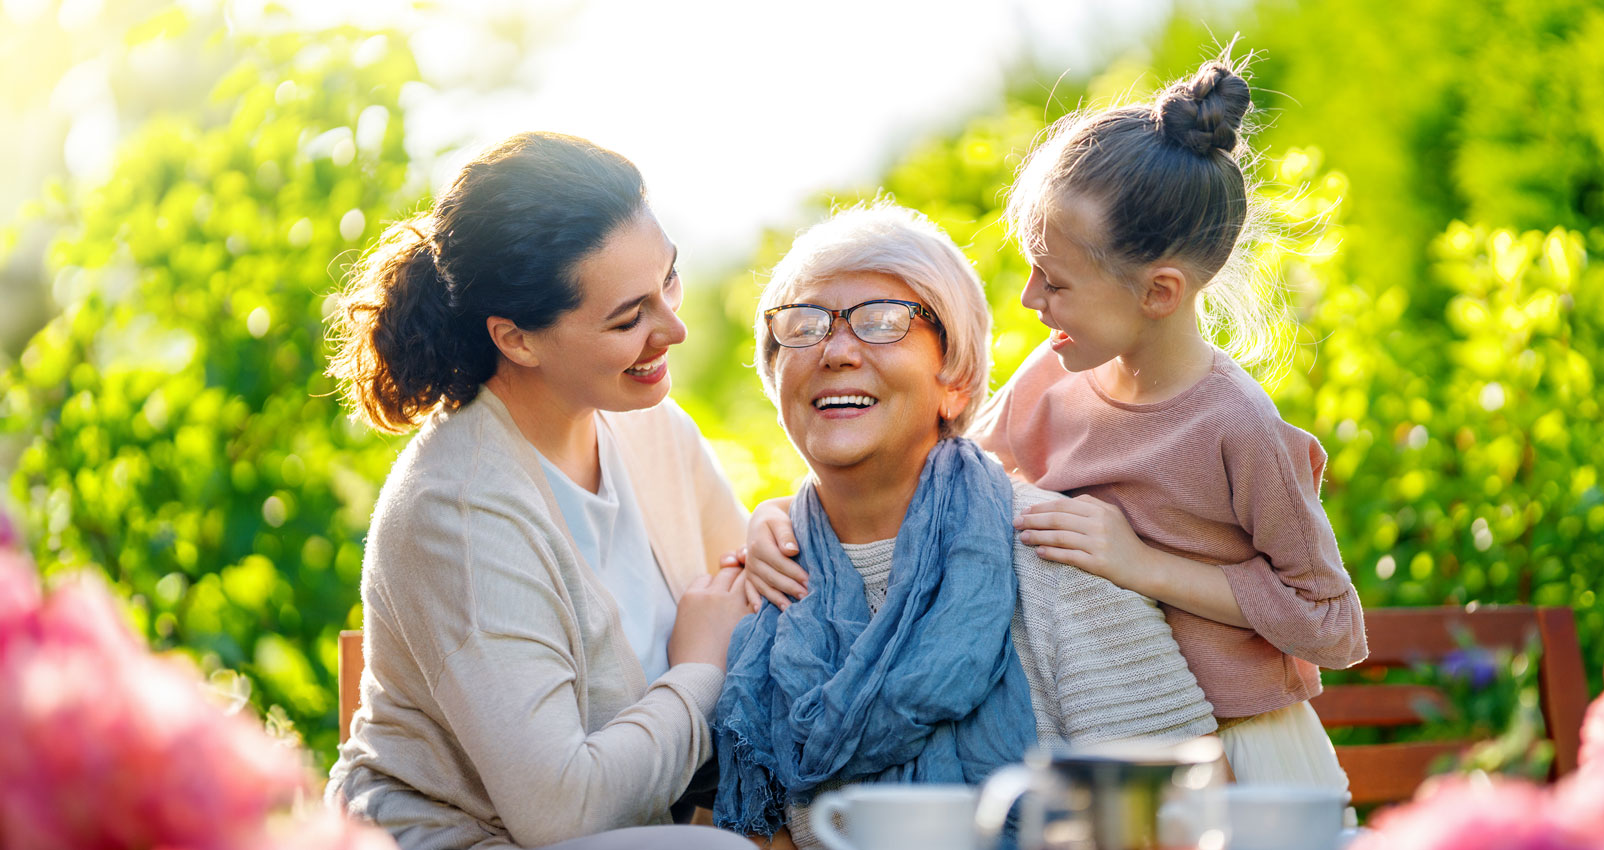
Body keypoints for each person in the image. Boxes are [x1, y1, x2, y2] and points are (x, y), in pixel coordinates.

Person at [743, 58, 1368, 796]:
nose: (1032, 298)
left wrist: (1143, 566)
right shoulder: (1055, 373)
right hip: (1117, 743)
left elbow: (1333, 624)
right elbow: (935, 475)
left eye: (1057, 281)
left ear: (1159, 291)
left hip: (1246, 758)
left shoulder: (1237, 426)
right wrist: (783, 516)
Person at [714, 204, 1217, 848]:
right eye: (803, 326)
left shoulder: (1051, 547)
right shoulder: (769, 580)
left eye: (882, 323)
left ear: (955, 379)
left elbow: (1181, 809)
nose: (836, 350)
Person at [323, 132, 754, 850]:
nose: (673, 329)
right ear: (516, 339)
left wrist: (775, 530)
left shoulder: (650, 429)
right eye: (629, 318)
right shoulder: (458, 511)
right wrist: (699, 670)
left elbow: (749, 594)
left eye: (669, 280)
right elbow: (564, 809)